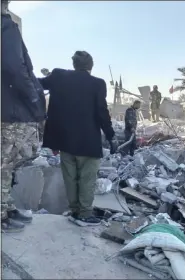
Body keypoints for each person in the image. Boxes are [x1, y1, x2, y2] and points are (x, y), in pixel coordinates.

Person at [38, 51, 117, 227]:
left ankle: (75, 211)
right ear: (91, 66)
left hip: (64, 141)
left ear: (74, 64)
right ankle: (85, 214)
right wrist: (111, 136)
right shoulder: (97, 83)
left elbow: (37, 84)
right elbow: (102, 112)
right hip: (88, 142)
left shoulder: (58, 76)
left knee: (70, 178)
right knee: (87, 179)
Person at [1, 0, 47, 232]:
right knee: (8, 161)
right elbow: (14, 66)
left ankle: (6, 206)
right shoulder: (5, 26)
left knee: (6, 162)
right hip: (11, 110)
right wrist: (33, 97)